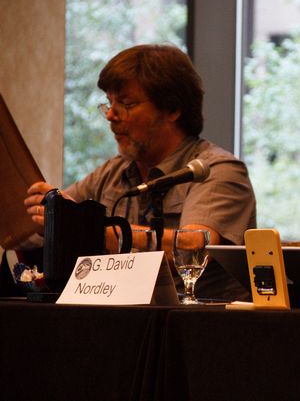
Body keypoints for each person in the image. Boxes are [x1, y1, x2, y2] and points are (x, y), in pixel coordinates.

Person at [23, 44, 256, 300]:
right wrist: (49, 214)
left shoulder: (217, 169)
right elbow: (28, 235)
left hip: (198, 327)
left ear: (172, 110)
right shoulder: (112, 171)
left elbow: (193, 246)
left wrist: (87, 230)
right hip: (123, 321)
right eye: (109, 104)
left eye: (126, 103)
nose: (111, 115)